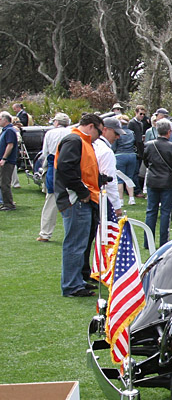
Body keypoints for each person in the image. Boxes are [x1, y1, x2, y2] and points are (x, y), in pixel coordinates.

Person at [55, 113, 106, 297]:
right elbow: (65, 168)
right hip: (75, 199)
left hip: (81, 198)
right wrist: (83, 192)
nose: (99, 136)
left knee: (80, 243)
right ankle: (71, 285)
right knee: (75, 243)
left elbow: (81, 170)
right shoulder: (74, 140)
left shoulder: (82, 141)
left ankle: (76, 281)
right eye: (99, 132)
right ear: (91, 126)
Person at [143, 119, 172, 246]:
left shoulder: (149, 145)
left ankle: (147, 241)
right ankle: (163, 241)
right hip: (167, 182)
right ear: (169, 132)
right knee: (165, 212)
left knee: (151, 211)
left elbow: (146, 162)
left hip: (153, 180)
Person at [37, 113, 72, 240]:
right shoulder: (71, 132)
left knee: (51, 200)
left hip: (54, 166)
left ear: (56, 122)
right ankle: (72, 232)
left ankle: (45, 233)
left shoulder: (50, 133)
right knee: (72, 199)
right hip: (70, 167)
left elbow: (45, 153)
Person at [126, 105, 148, 191]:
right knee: (134, 171)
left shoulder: (141, 123)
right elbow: (130, 136)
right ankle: (135, 190)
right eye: (140, 114)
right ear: (136, 113)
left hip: (140, 148)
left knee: (137, 171)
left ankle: (135, 189)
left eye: (143, 114)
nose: (142, 116)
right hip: (134, 149)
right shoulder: (132, 123)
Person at [0, 112, 19, 209]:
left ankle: (8, 204)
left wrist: (4, 158)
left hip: (7, 161)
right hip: (5, 160)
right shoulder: (6, 130)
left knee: (5, 183)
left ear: (5, 120)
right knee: (3, 182)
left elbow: (10, 145)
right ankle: (6, 202)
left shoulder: (9, 131)